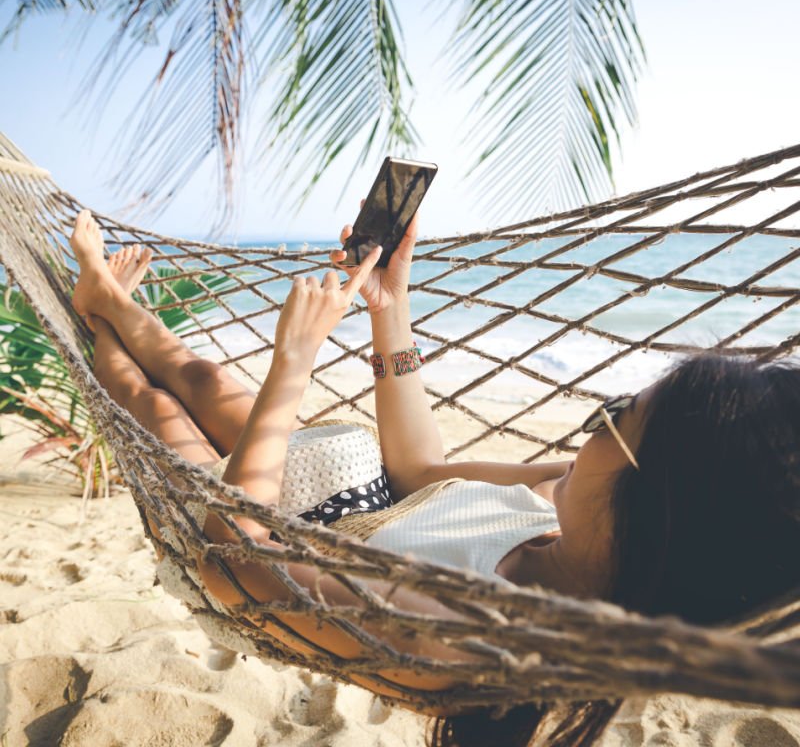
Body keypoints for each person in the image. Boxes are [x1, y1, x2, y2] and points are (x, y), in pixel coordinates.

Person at [69, 209, 800, 747]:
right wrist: (392, 309)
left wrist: (294, 361)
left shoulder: (474, 640)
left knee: (155, 407)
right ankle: (106, 297)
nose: (590, 424)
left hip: (265, 533)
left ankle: (97, 319)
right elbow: (420, 472)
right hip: (345, 479)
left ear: (652, 507)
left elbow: (238, 565)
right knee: (202, 374)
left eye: (616, 415)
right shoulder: (570, 499)